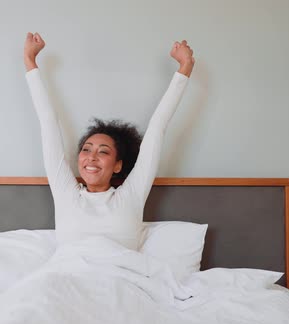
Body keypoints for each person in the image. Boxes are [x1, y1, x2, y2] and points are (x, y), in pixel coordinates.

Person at [24, 32, 194, 251]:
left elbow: (157, 128)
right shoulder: (66, 193)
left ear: (118, 165)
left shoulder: (130, 196)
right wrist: (30, 61)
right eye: (86, 149)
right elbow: (47, 121)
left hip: (118, 279)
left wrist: (185, 68)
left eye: (103, 152)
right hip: (69, 278)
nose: (91, 157)